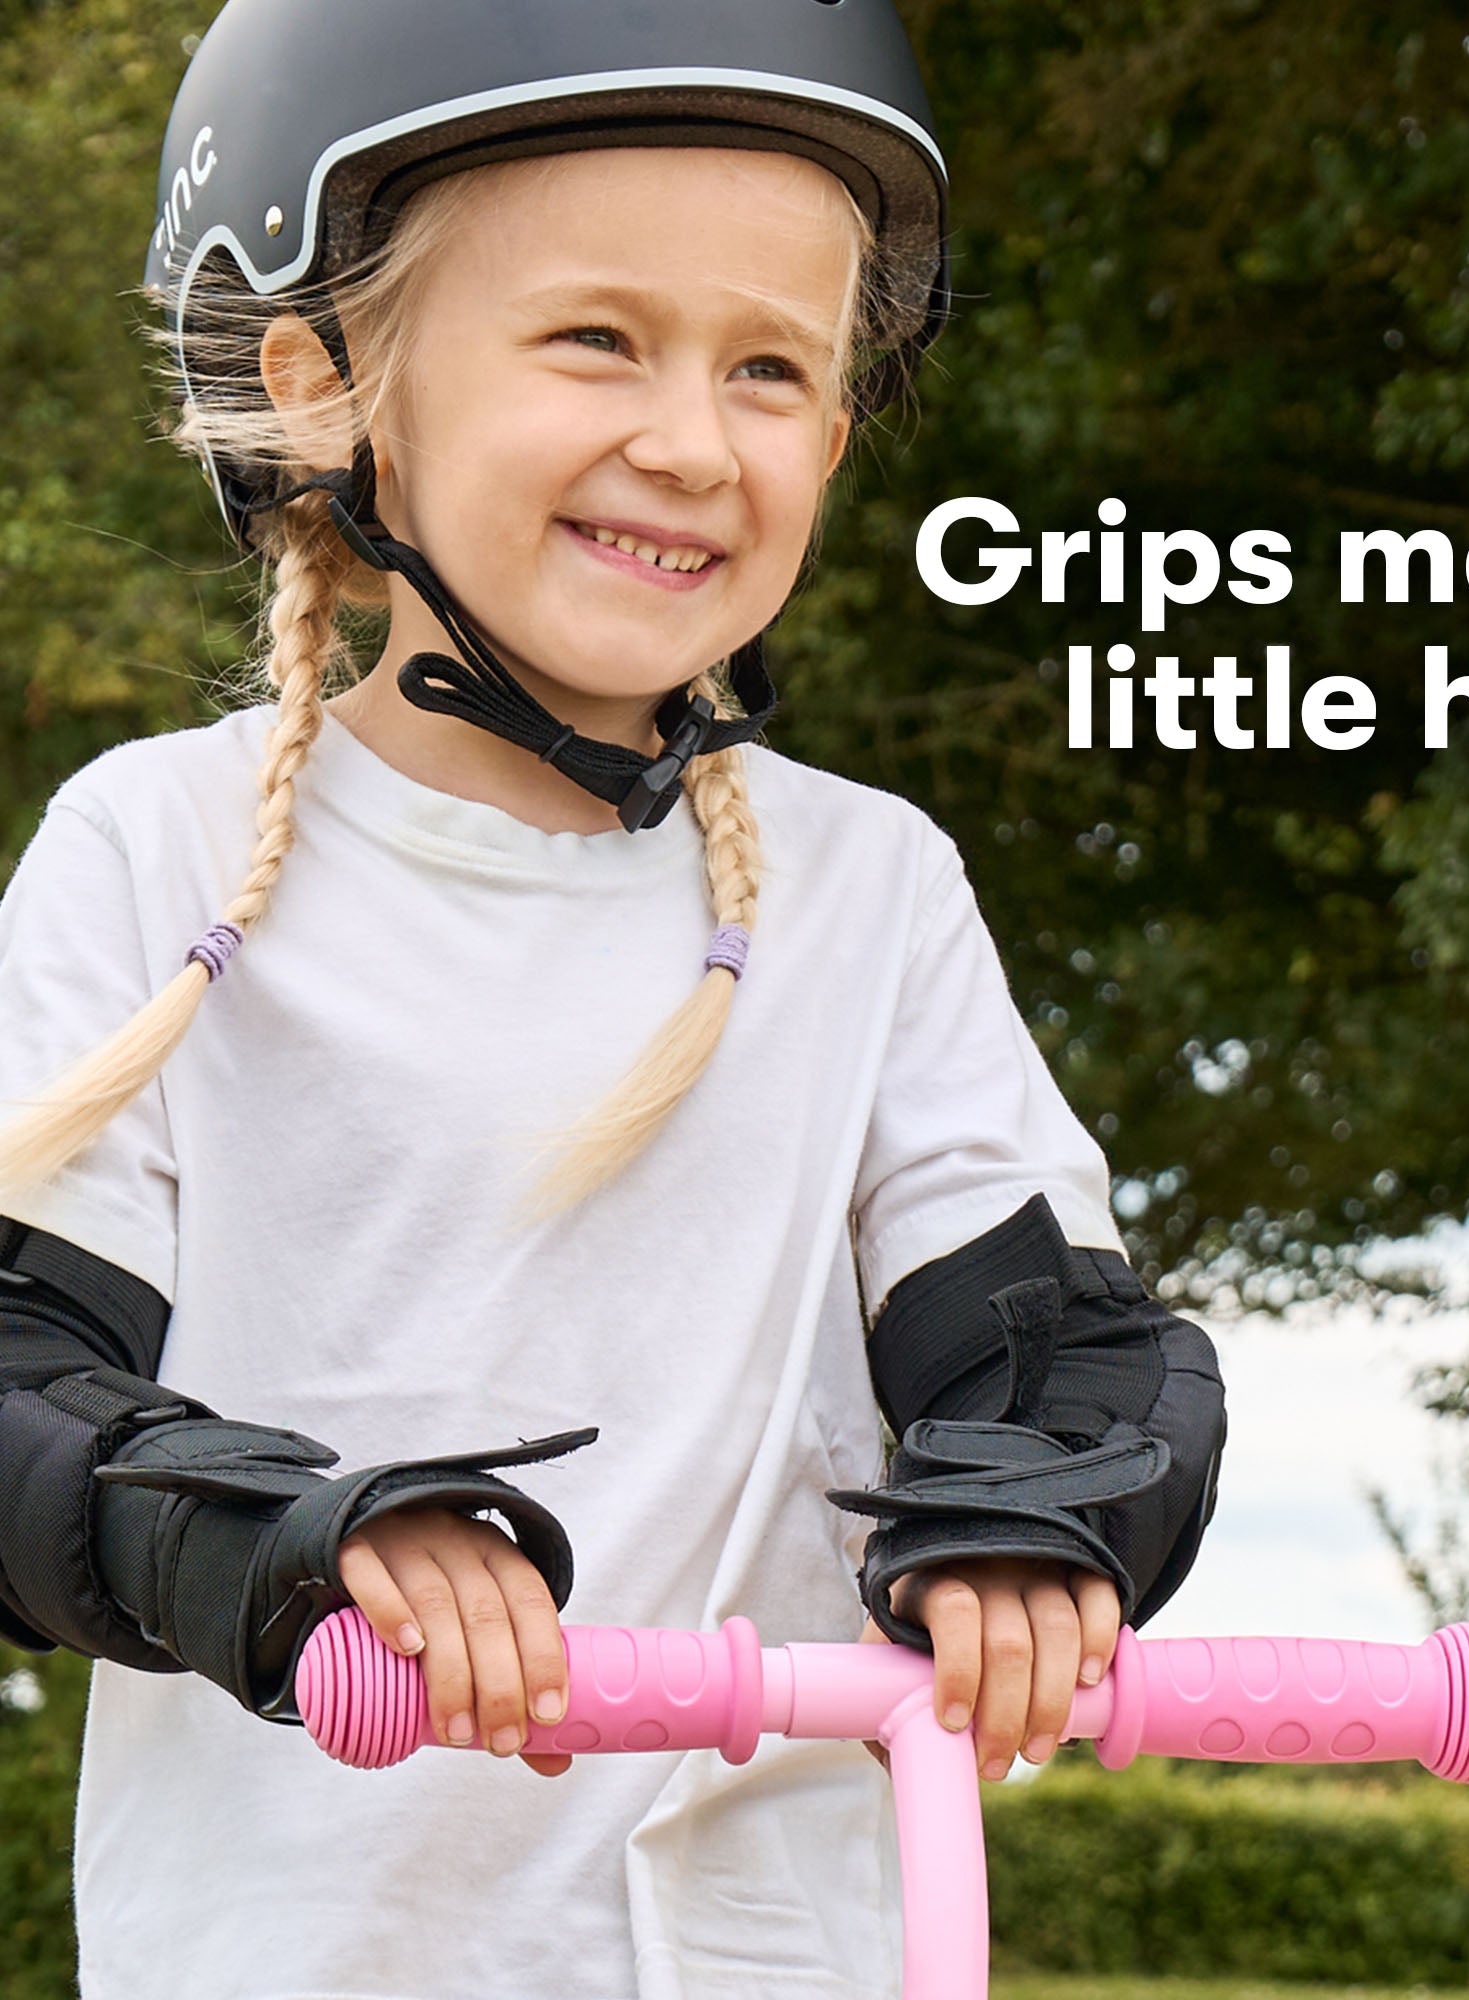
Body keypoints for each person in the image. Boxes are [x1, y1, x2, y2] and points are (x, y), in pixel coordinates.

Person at [0, 4, 1227, 1996]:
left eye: (769, 368)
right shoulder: (154, 849)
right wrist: (301, 1547)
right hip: (318, 1950)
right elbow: (20, 1386)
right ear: (331, 391)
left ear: (829, 436)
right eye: (597, 338)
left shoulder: (869, 890)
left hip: (795, 1950)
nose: (690, 436)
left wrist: (1029, 1525)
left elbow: (1047, 1343)